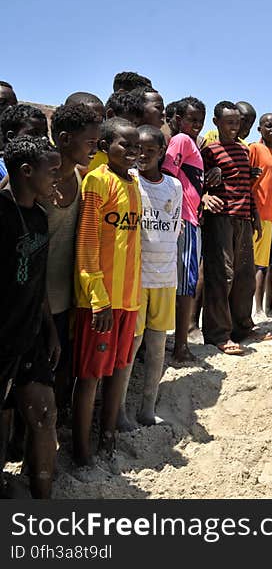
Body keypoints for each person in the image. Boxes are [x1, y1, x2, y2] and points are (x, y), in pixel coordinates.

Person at [72, 117, 143, 466]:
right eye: (124, 145)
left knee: (118, 370)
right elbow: (86, 245)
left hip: (129, 299)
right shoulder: (96, 183)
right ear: (104, 147)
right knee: (90, 378)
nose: (133, 152)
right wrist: (97, 297)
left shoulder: (133, 183)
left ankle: (108, 438)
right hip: (99, 302)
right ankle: (82, 454)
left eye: (136, 146)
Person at [0, 136, 61, 498]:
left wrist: (50, 329)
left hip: (31, 336)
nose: (56, 178)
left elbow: (37, 283)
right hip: (2, 340)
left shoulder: (39, 217)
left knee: (44, 415)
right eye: (50, 171)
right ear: (25, 172)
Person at [117, 125, 181, 430]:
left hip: (166, 277)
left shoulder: (174, 186)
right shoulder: (128, 182)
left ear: (161, 153)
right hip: (136, 279)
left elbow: (175, 226)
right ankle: (118, 410)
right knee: (132, 344)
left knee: (157, 346)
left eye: (149, 150)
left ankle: (147, 407)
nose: (142, 155)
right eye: (137, 149)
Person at [41, 104, 101, 419]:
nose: (96, 147)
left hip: (66, 302)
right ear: (64, 139)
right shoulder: (33, 179)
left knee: (60, 378)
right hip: (34, 307)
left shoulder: (81, 178)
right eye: (90, 142)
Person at [200, 101, 259, 354]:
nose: (235, 127)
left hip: (243, 218)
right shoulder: (209, 151)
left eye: (238, 122)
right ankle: (218, 334)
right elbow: (197, 182)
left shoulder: (243, 151)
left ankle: (242, 327)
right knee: (222, 276)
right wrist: (204, 193)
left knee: (245, 276)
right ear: (217, 123)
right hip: (221, 218)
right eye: (229, 122)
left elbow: (246, 185)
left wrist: (253, 214)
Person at [161, 96, 205, 364]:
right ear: (178, 120)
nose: (196, 125)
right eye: (192, 120)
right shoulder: (181, 141)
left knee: (185, 283)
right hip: (184, 220)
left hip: (190, 218)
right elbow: (168, 174)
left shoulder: (191, 143)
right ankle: (180, 346)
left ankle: (179, 343)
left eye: (200, 120)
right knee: (186, 285)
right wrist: (175, 215)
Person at [250, 113, 272, 319]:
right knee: (247, 265)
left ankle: (259, 309)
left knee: (262, 265)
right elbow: (247, 180)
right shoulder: (254, 149)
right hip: (253, 214)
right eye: (268, 126)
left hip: (269, 216)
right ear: (260, 129)